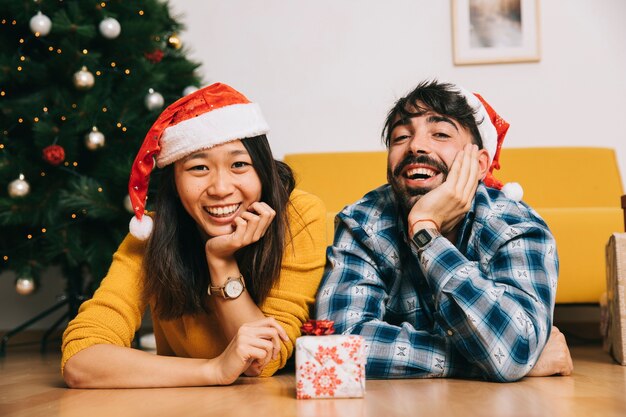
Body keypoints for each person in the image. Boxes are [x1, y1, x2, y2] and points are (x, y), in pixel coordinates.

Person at [62, 83, 327, 388]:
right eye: (199, 168)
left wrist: (221, 260)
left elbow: (262, 362)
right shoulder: (150, 233)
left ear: (263, 170)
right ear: (174, 180)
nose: (220, 188)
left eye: (239, 164)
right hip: (183, 402)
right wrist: (214, 370)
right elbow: (80, 361)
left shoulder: (298, 215)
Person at [315, 80, 573, 382]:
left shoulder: (516, 225)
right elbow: (333, 347)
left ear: (479, 165)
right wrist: (483, 364)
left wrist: (425, 233)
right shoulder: (362, 222)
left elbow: (516, 345)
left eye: (440, 134)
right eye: (401, 136)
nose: (415, 146)